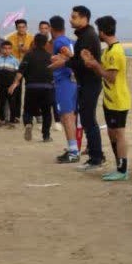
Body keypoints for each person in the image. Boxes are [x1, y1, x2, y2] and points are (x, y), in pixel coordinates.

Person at [80, 16, 132, 181]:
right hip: (109, 99)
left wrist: (95, 65)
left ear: (102, 32)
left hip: (118, 99)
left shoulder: (116, 51)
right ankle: (118, 166)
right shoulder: (108, 50)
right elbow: (102, 71)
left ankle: (123, 169)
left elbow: (111, 77)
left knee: (119, 132)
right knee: (111, 133)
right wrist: (91, 62)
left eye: (98, 31)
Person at [67, 6, 106, 170]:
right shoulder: (84, 35)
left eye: (74, 17)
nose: (71, 19)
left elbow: (84, 63)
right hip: (86, 83)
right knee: (87, 119)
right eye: (71, 16)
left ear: (84, 18)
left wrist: (66, 62)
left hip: (91, 82)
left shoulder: (88, 37)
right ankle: (94, 154)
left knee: (89, 120)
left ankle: (96, 157)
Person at [47, 16, 80, 162]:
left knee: (66, 116)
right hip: (72, 82)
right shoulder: (70, 40)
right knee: (70, 116)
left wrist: (67, 60)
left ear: (51, 29)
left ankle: (73, 152)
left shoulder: (59, 41)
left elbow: (68, 54)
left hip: (64, 82)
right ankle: (73, 148)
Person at [11, 33, 54, 141]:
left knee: (28, 111)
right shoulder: (50, 56)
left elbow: (20, 72)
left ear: (34, 43)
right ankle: (46, 136)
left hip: (32, 87)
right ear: (46, 44)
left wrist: (14, 83)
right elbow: (54, 73)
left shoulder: (28, 55)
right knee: (46, 113)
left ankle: (28, 124)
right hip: (47, 88)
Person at [0, 41, 20, 126]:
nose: (7, 50)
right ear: (1, 49)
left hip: (11, 86)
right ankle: (2, 119)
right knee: (0, 103)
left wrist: (14, 85)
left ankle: (12, 121)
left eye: (9, 48)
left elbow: (17, 74)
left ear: (11, 50)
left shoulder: (15, 60)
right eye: (4, 48)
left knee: (12, 104)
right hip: (1, 86)